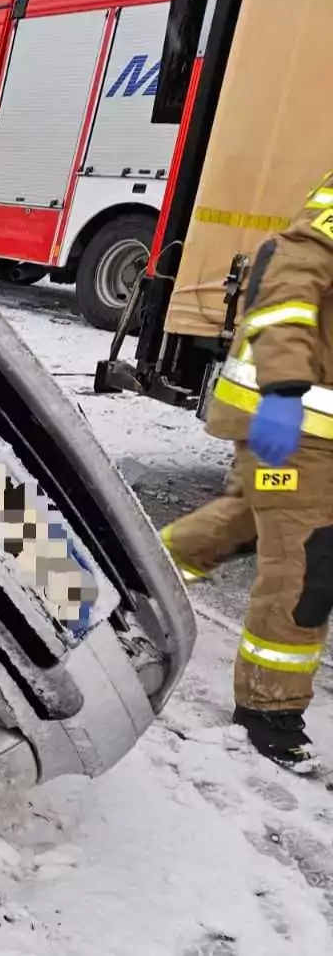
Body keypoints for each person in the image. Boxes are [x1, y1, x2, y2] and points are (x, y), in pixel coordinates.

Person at [161, 168, 333, 773]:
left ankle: (146, 570)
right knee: (307, 562)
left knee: (252, 519)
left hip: (309, 437)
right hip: (292, 426)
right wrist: (285, 388)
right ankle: (269, 709)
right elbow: (287, 288)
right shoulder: (321, 229)